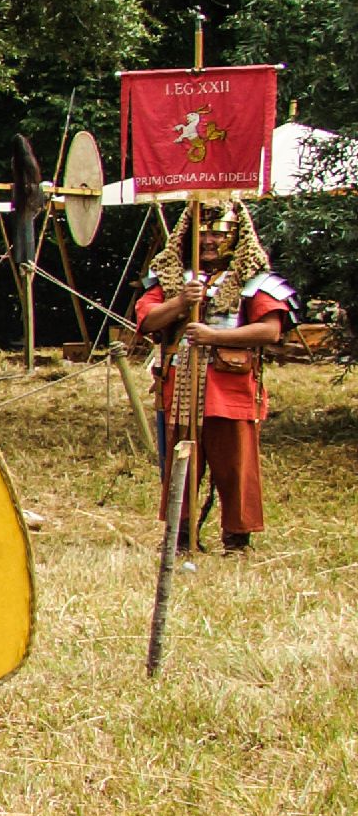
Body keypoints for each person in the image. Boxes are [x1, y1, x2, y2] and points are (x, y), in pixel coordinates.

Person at [134, 195, 294, 556]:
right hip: (181, 386)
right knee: (182, 464)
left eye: (220, 232)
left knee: (237, 467)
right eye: (203, 232)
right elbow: (145, 320)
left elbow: (269, 331)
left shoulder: (254, 278)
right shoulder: (173, 276)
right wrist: (179, 303)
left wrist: (215, 336)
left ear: (237, 236)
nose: (209, 240)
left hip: (231, 388)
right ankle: (180, 536)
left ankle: (237, 540)